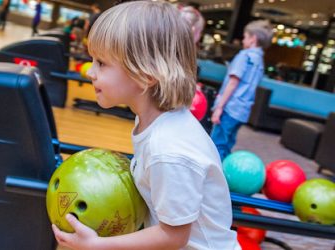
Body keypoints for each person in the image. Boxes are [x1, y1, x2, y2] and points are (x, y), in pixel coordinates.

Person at [51, 2, 240, 249]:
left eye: (102, 63)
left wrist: (97, 245)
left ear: (146, 74)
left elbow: (174, 236)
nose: (90, 72)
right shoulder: (152, 122)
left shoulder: (168, 149)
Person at [210, 20, 273, 161]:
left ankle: (211, 178)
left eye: (245, 37)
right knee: (227, 144)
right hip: (242, 112)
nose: (243, 40)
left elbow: (233, 82)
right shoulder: (259, 61)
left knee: (216, 145)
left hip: (230, 107)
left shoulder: (244, 56)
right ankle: (223, 175)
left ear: (253, 39)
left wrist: (219, 107)